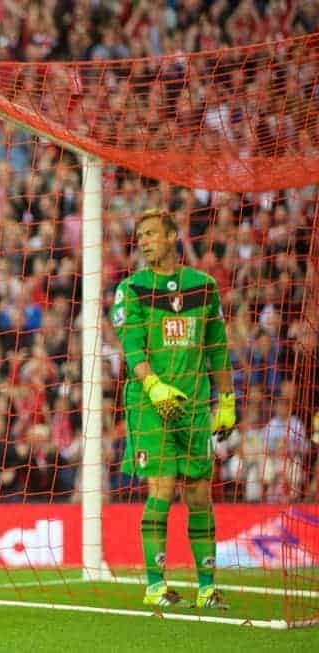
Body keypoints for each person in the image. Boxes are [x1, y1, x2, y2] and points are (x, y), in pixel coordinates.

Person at [110, 208, 235, 610]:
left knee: (199, 493)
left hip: (195, 403)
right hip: (150, 404)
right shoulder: (131, 288)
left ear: (171, 237)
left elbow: (217, 348)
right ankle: (155, 584)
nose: (143, 241)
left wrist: (227, 400)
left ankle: (206, 587)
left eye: (150, 233)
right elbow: (131, 347)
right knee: (162, 486)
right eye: (139, 235)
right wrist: (152, 384)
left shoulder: (204, 287)